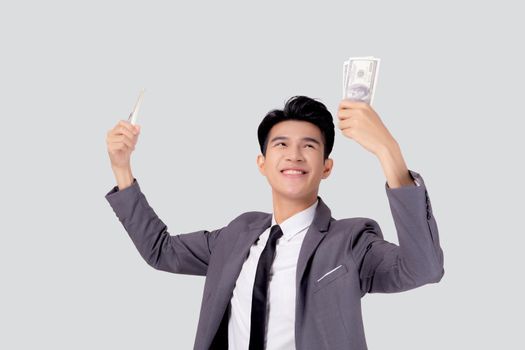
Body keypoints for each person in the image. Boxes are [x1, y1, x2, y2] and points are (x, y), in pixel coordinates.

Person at [105, 96, 444, 350]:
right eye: (281, 145)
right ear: (262, 164)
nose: (294, 155)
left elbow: (424, 268)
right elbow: (161, 250)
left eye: (308, 146)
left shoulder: (351, 240)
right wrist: (122, 168)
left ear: (327, 167)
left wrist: (388, 151)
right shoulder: (237, 235)